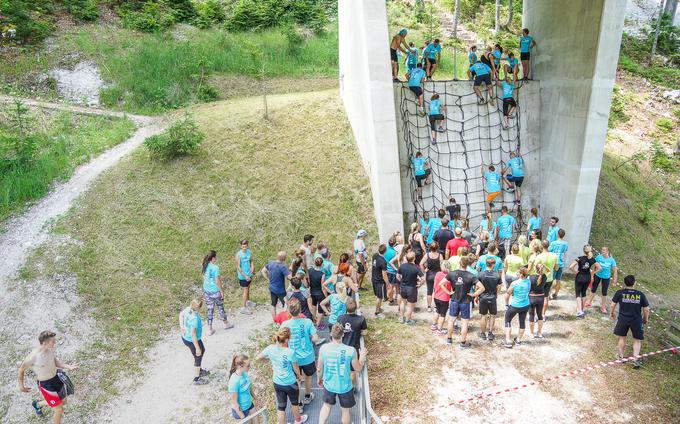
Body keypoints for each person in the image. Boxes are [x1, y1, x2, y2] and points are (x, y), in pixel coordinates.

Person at [17, 331, 78, 423]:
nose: (55, 342)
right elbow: (21, 370)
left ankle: (37, 404)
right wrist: (21, 386)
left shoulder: (49, 350)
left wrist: (69, 366)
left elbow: (55, 361)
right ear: (45, 343)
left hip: (56, 378)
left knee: (63, 402)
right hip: (46, 385)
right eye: (53, 341)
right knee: (59, 409)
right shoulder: (32, 357)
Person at [317, 324, 367, 424]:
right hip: (345, 386)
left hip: (329, 384)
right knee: (345, 410)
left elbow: (319, 368)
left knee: (326, 406)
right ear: (343, 334)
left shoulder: (323, 348)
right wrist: (362, 356)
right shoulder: (351, 350)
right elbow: (358, 368)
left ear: (331, 334)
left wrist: (319, 379)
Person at [257, 327, 308, 424]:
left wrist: (268, 360)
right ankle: (298, 420)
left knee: (281, 406)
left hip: (277, 382)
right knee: (294, 403)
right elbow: (295, 368)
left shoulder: (270, 348)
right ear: (287, 339)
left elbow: (258, 357)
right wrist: (300, 376)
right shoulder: (290, 352)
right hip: (290, 383)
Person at [281, 297, 321, 406]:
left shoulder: (285, 324)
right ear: (300, 310)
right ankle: (308, 396)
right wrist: (311, 338)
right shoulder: (307, 322)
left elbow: (281, 340)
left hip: (293, 359)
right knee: (308, 377)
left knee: (297, 380)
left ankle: (298, 404)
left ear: (289, 310)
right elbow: (315, 338)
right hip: (308, 356)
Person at [443, 256, 485, 348]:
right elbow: (482, 288)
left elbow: (441, 284)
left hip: (454, 299)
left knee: (451, 320)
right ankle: (462, 343)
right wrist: (474, 295)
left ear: (459, 263)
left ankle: (449, 339)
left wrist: (448, 292)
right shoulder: (471, 275)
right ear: (468, 265)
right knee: (464, 322)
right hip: (465, 301)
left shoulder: (452, 273)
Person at [610, 275, 650, 368]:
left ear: (624, 283)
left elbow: (612, 305)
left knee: (622, 338)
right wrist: (645, 319)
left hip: (623, 319)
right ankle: (635, 360)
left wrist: (611, 313)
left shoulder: (619, 293)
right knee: (637, 340)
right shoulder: (640, 294)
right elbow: (647, 309)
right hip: (636, 320)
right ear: (634, 283)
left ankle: (621, 358)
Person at [337, 298, 368, 386]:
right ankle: (352, 387)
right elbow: (365, 332)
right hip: (354, 349)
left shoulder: (340, 318)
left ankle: (341, 384)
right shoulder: (361, 319)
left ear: (346, 308)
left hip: (341, 347)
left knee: (341, 367)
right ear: (356, 308)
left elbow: (338, 330)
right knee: (352, 372)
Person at [202, 250, 233, 334]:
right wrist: (221, 291)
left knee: (210, 309)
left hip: (207, 290)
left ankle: (210, 328)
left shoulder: (205, 265)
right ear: (213, 258)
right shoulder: (216, 268)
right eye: (215, 257)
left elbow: (204, 277)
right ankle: (226, 323)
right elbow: (217, 280)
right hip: (215, 291)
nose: (216, 259)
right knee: (220, 307)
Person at [178, 299, 209, 385]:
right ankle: (196, 378)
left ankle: (199, 369)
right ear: (198, 308)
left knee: (202, 350)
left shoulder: (189, 309)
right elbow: (193, 334)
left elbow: (181, 314)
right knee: (198, 355)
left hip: (186, 337)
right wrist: (197, 348)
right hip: (191, 340)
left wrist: (182, 327)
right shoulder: (194, 319)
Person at [569, 245, 601, 318]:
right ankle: (582, 310)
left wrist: (575, 272)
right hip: (587, 277)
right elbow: (600, 268)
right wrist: (592, 273)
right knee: (583, 293)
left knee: (578, 294)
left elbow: (571, 267)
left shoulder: (579, 258)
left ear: (583, 250)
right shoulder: (592, 259)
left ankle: (579, 311)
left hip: (580, 277)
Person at [503, 267, 531, 348]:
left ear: (522, 274)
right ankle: (518, 340)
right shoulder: (528, 281)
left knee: (507, 320)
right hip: (525, 304)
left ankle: (508, 341)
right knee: (522, 322)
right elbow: (528, 290)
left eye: (518, 272)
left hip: (515, 305)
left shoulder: (514, 283)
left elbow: (508, 292)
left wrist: (513, 292)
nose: (517, 273)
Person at [262, 251, 292, 323]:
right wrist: (291, 271)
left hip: (272, 288)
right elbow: (289, 277)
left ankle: (275, 321)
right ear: (284, 258)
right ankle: (285, 321)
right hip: (280, 290)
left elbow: (263, 271)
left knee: (273, 304)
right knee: (287, 305)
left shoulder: (270, 263)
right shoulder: (283, 267)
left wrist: (268, 279)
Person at [587, 246, 619, 313]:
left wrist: (614, 281)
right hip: (597, 275)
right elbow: (594, 265)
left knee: (604, 292)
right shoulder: (599, 257)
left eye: (604, 250)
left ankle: (603, 307)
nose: (602, 251)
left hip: (606, 277)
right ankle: (589, 302)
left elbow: (615, 271)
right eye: (602, 249)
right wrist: (592, 275)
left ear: (607, 251)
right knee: (593, 289)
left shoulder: (611, 260)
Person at [477, 257, 502, 341]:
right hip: (492, 297)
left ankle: (483, 333)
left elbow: (477, 287)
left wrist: (476, 296)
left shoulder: (481, 274)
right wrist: (496, 294)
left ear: (486, 263)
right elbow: (499, 287)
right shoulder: (497, 275)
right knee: (492, 316)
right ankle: (490, 333)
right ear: (493, 265)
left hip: (483, 297)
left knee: (483, 316)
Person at [229, 354, 259, 421]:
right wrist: (243, 417)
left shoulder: (244, 374)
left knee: (257, 421)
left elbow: (249, 387)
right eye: (248, 366)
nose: (250, 367)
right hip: (241, 410)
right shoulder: (234, 381)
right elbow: (234, 401)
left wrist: (255, 398)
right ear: (240, 366)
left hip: (249, 404)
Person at [532, 240, 559, 316]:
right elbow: (556, 268)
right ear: (549, 246)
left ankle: (536, 315)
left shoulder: (539, 256)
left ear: (541, 246)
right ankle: (543, 315)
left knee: (537, 297)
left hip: (540, 279)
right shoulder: (554, 255)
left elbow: (535, 269)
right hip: (549, 278)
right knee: (546, 297)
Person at [397, 251, 425, 324]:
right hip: (412, 289)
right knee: (410, 306)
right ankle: (408, 320)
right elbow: (423, 278)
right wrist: (420, 285)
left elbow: (397, 276)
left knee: (403, 303)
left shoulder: (402, 266)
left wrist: (401, 281)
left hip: (403, 287)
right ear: (414, 258)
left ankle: (401, 318)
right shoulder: (416, 267)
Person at [420, 241, 442, 314]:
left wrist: (424, 271)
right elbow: (442, 266)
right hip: (437, 275)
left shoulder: (427, 255)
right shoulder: (440, 255)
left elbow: (421, 264)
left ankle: (429, 307)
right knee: (437, 291)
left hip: (429, 275)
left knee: (429, 291)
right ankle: (436, 306)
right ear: (437, 248)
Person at [548, 229, 569, 302]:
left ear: (557, 234)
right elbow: (565, 251)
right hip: (561, 263)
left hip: (554, 263)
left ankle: (550, 294)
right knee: (558, 280)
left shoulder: (553, 243)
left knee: (551, 279)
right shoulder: (566, 244)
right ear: (563, 235)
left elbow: (549, 250)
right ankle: (556, 293)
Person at [432, 260, 452, 336]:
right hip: (444, 298)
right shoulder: (449, 276)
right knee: (442, 314)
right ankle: (439, 330)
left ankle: (434, 325)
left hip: (436, 296)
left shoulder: (438, 273)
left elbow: (434, 284)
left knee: (437, 310)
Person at [236, 240, 255, 315]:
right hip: (243, 276)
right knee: (245, 290)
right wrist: (245, 276)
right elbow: (238, 267)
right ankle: (243, 308)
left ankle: (248, 301)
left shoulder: (249, 252)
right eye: (243, 246)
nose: (244, 248)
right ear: (241, 246)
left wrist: (252, 268)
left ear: (247, 245)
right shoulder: (238, 254)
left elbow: (251, 261)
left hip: (249, 274)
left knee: (248, 288)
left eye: (246, 246)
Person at [528, 265, 547, 338]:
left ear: (535, 269)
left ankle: (531, 333)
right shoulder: (544, 277)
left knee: (531, 315)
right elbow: (549, 271)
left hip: (532, 297)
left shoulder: (530, 277)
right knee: (540, 315)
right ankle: (539, 332)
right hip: (541, 297)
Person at [371, 244, 389, 318]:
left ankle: (379, 308)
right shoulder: (383, 261)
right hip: (380, 281)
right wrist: (387, 283)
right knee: (379, 297)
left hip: (374, 279)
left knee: (378, 296)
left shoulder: (375, 255)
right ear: (385, 252)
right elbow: (384, 274)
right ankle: (377, 312)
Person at [308, 257, 326, 322]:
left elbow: (309, 281)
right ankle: (318, 324)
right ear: (321, 264)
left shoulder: (310, 271)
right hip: (320, 293)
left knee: (314, 305)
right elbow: (322, 286)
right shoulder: (322, 274)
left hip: (312, 292)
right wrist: (326, 295)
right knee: (320, 309)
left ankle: (314, 319)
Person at [384, 236, 399, 305]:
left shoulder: (385, 249)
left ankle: (389, 298)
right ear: (395, 244)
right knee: (391, 286)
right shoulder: (395, 252)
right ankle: (391, 300)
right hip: (392, 271)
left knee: (389, 286)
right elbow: (396, 263)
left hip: (385, 270)